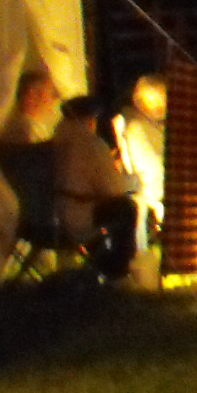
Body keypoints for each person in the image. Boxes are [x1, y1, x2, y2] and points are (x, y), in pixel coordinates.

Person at [51, 95, 139, 277]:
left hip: (51, 214)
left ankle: (98, 262)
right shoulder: (91, 144)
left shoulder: (56, 140)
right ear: (91, 119)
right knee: (127, 208)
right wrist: (125, 176)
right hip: (79, 215)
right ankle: (117, 270)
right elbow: (113, 190)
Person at [114, 74, 168, 284]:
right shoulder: (137, 128)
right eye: (156, 100)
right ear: (140, 101)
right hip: (155, 189)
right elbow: (153, 166)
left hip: (163, 185)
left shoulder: (153, 126)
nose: (161, 105)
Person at [0, 68, 59, 143]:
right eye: (51, 94)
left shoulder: (29, 127)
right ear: (31, 95)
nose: (54, 101)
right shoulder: (25, 130)